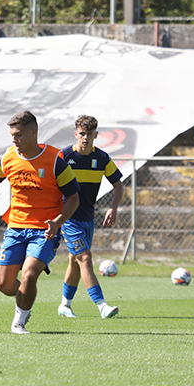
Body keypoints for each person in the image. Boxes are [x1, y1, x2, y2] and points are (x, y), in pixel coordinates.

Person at [0, 111, 80, 334]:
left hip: (44, 231)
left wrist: (58, 221)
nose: (14, 140)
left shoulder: (55, 160)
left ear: (34, 133)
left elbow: (73, 198)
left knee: (30, 274)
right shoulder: (8, 158)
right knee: (4, 284)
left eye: (19, 135)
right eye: (12, 135)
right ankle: (26, 299)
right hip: (15, 228)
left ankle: (19, 322)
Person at [57, 115, 124, 319]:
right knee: (85, 258)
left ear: (96, 135)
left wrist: (113, 208)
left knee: (75, 261)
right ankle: (102, 305)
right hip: (68, 217)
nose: (85, 138)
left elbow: (118, 185)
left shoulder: (102, 158)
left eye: (89, 134)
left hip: (88, 217)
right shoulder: (63, 156)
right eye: (82, 134)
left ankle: (64, 306)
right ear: (76, 133)